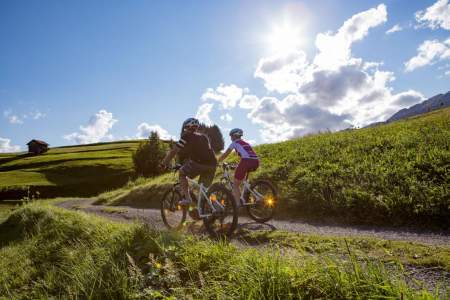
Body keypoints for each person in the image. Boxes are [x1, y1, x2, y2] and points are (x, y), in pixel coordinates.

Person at [161, 117, 217, 206]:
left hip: (199, 164)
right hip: (213, 165)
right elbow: (204, 151)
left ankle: (188, 199)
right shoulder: (204, 136)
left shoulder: (186, 136)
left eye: (185, 128)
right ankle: (213, 210)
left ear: (187, 127)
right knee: (204, 191)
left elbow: (174, 151)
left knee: (182, 173)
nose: (185, 130)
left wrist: (164, 163)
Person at [218, 128, 259, 207]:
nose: (230, 138)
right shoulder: (245, 143)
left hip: (246, 161)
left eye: (231, 136)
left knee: (235, 185)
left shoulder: (235, 143)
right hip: (256, 161)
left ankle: (237, 203)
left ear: (234, 135)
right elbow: (248, 155)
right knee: (242, 180)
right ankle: (252, 194)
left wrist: (218, 161)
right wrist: (238, 165)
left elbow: (226, 154)